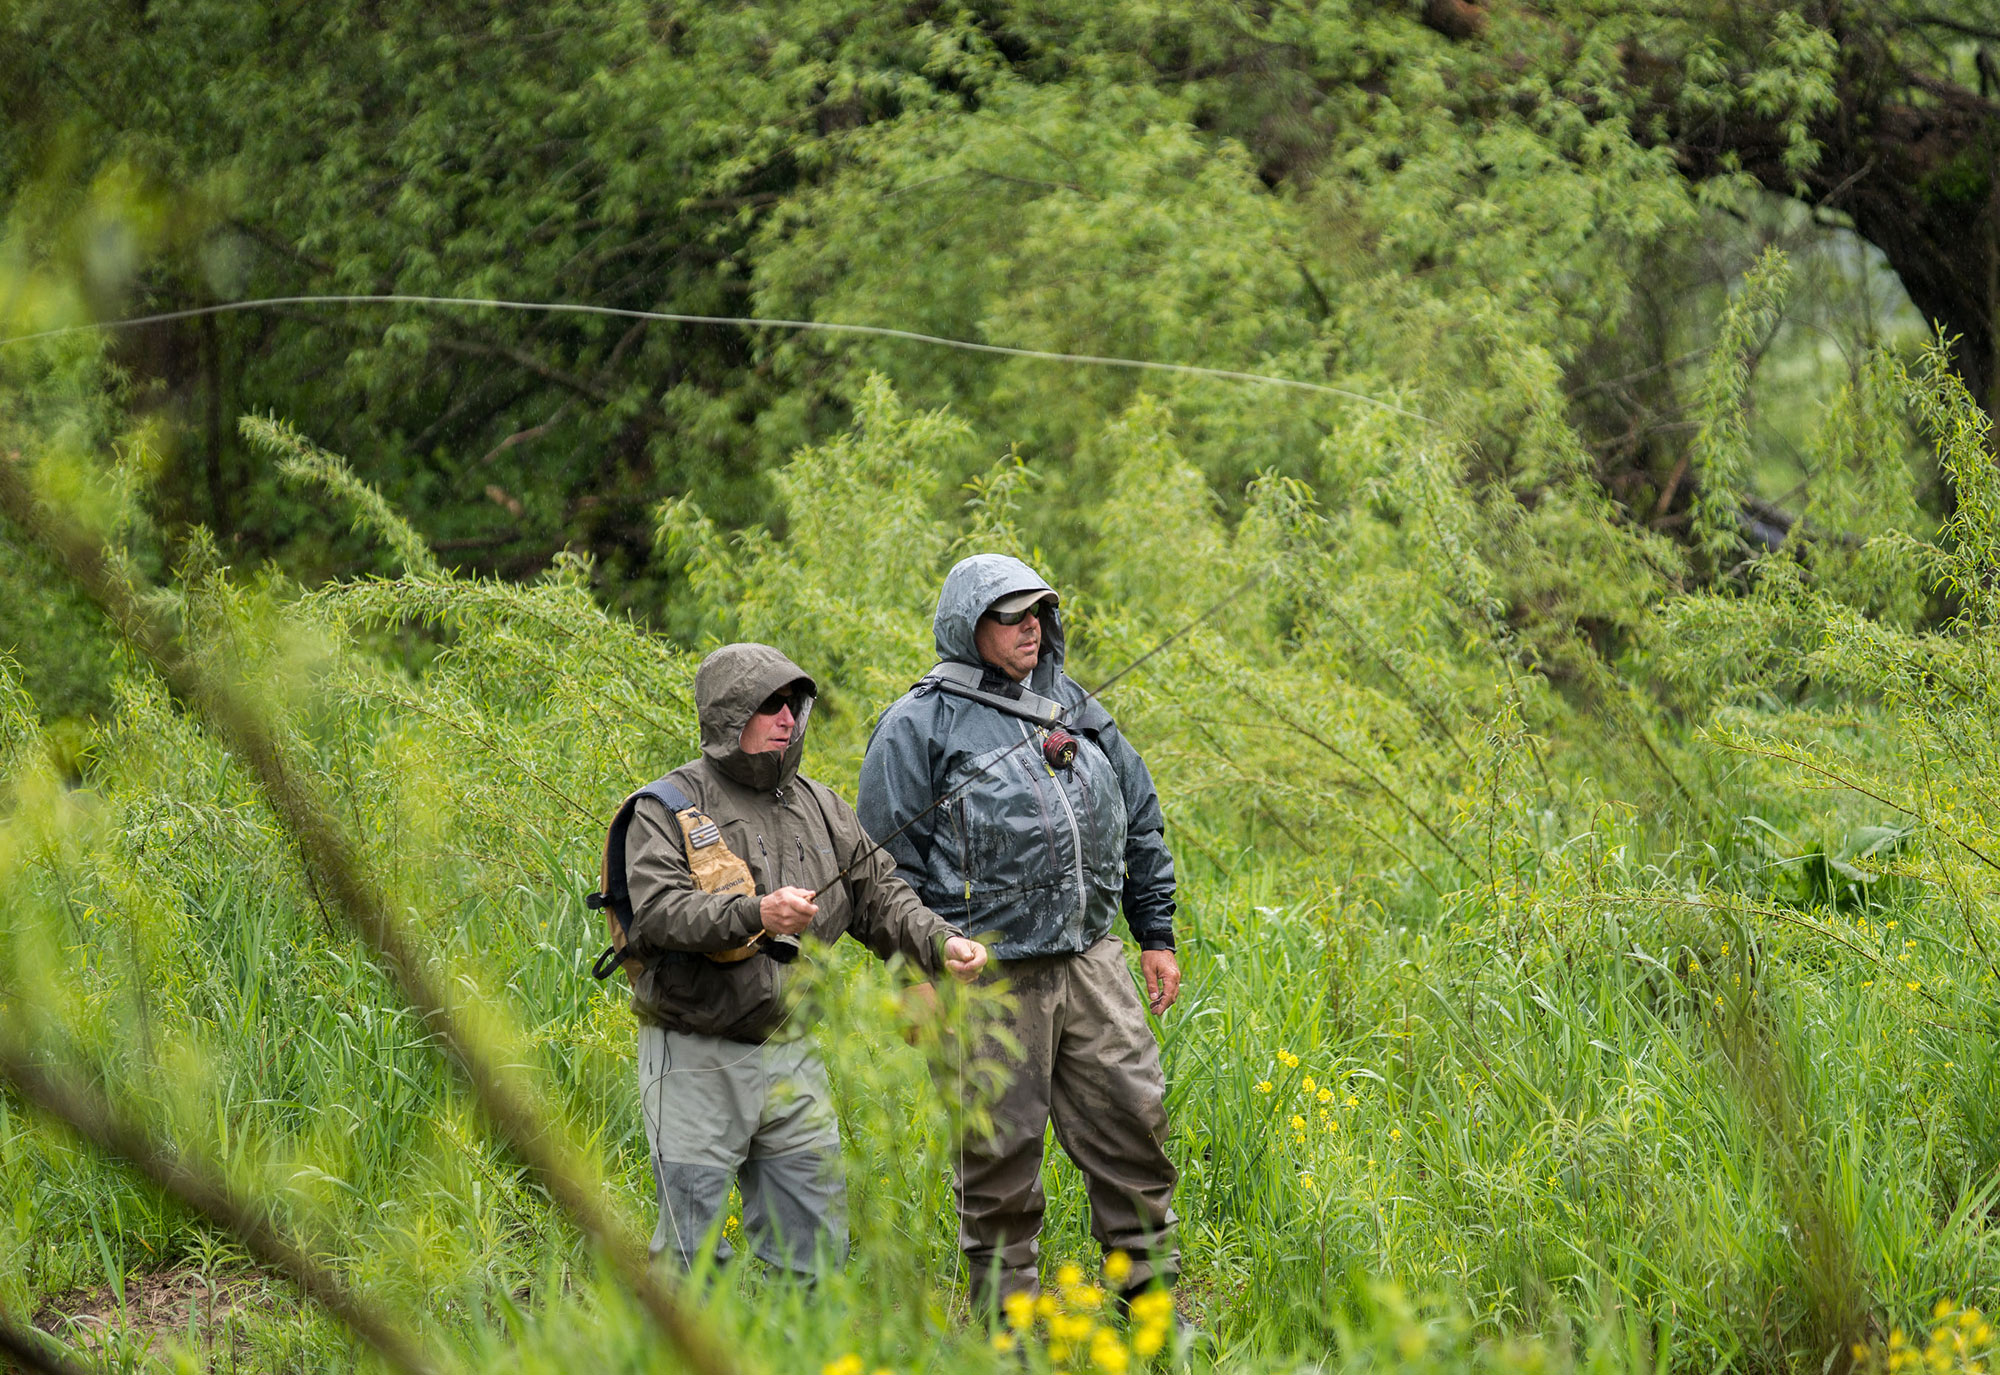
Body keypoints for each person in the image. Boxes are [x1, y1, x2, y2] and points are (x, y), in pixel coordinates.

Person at [857, 554, 1183, 1313]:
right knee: (998, 1160)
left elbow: (1140, 811)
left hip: (1094, 962)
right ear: (969, 627)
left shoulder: (1073, 702)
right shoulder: (917, 724)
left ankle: (1152, 1308)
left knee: (1136, 1129)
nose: (1029, 626)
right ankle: (1009, 1327)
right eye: (1009, 614)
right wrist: (918, 977)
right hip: (984, 979)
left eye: (1038, 610)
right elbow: (881, 872)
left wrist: (1155, 930)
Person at [606, 642, 987, 1278]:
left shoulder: (823, 807)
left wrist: (941, 943)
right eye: (771, 705)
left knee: (814, 1252)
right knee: (689, 1255)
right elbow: (659, 913)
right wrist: (757, 914)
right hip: (695, 1052)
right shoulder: (664, 806)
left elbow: (883, 896)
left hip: (795, 1054)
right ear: (729, 717)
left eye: (795, 703)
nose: (789, 717)